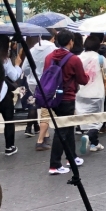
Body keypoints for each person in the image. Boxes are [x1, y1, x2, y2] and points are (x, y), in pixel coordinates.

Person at [45, 30, 89, 175]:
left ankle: (72, 157)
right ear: (70, 41)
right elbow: (83, 80)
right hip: (67, 97)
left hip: (52, 97)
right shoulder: (74, 59)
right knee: (62, 130)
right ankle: (55, 164)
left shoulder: (49, 57)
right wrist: (87, 75)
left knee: (68, 127)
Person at [76, 33, 106, 154]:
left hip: (81, 93)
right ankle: (89, 138)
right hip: (96, 93)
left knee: (85, 119)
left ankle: (94, 143)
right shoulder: (100, 58)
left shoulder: (78, 58)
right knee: (97, 120)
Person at [23, 34, 56, 145]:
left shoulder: (32, 49)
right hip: (47, 82)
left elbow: (25, 68)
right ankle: (41, 140)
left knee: (37, 105)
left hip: (33, 82)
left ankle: (45, 135)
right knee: (45, 110)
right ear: (52, 38)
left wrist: (31, 75)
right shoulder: (53, 49)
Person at [0, 36, 24, 156]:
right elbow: (14, 76)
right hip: (4, 94)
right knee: (9, 120)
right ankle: (9, 146)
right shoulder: (5, 60)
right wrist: (18, 64)